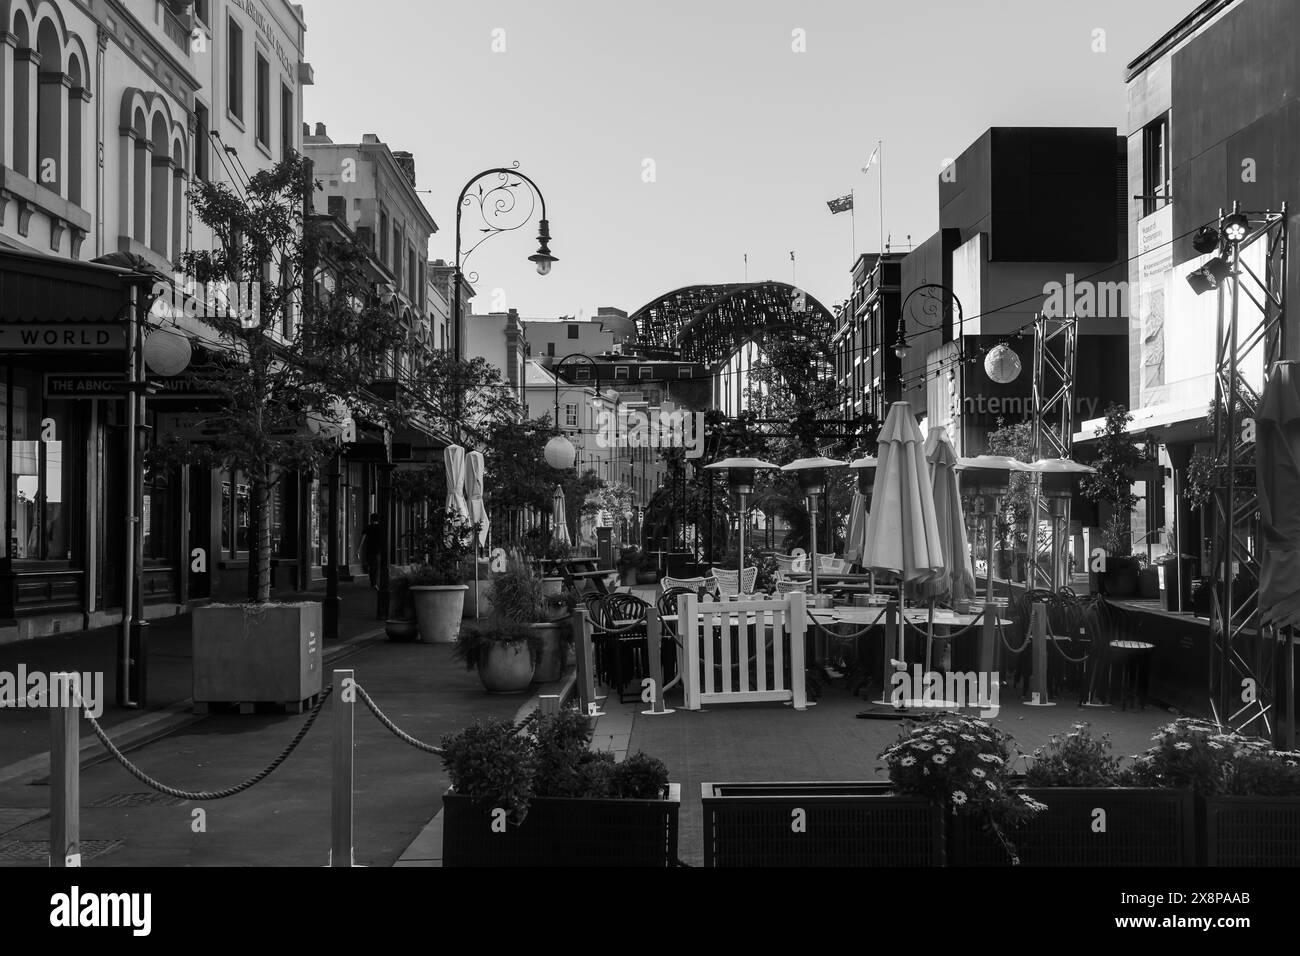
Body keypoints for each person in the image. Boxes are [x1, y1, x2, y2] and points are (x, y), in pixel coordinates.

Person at [356, 513, 384, 590]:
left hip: (369, 550)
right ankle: (374, 583)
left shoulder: (367, 528)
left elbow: (363, 539)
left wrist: (358, 549)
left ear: (371, 519)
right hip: (377, 550)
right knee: (376, 567)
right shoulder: (381, 528)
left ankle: (373, 582)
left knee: (372, 566)